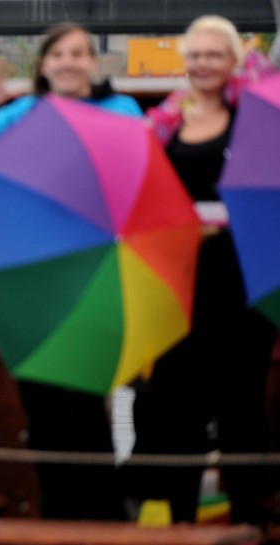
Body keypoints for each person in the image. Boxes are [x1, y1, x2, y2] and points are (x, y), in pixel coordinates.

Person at [0, 23, 142, 521]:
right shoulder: (22, 113)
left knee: (86, 397)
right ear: (43, 64)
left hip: (92, 271)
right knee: (40, 404)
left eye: (78, 53)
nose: (67, 62)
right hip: (33, 272)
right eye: (57, 54)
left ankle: (104, 516)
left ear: (93, 63)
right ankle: (57, 512)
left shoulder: (121, 112)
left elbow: (131, 161)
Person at [127, 15, 277, 525]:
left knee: (242, 406)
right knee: (175, 407)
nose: (203, 64)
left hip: (241, 279)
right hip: (177, 280)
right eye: (195, 55)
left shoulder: (258, 119)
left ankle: (247, 517)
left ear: (235, 61)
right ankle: (181, 522)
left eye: (215, 54)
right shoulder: (162, 124)